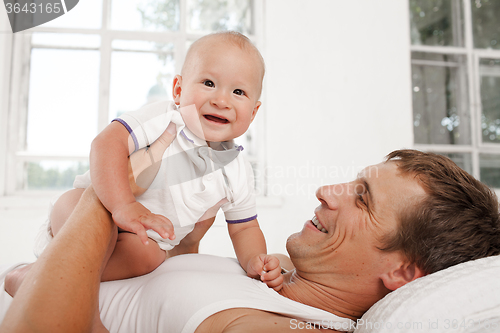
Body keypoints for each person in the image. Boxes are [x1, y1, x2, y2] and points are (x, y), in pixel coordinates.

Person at [3, 144, 499, 332]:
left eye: (362, 199)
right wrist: (184, 250)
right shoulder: (277, 280)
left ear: (403, 272)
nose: (326, 192)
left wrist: (110, 192)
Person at [12, 31, 282, 292]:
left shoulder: (237, 170)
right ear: (178, 89)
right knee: (83, 216)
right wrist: (123, 205)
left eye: (238, 92)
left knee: (149, 258)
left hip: (135, 240)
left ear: (254, 112)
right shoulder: (168, 118)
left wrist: (255, 261)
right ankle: (37, 275)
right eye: (209, 83)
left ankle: (44, 278)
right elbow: (106, 144)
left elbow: (245, 227)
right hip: (90, 208)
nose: (222, 100)